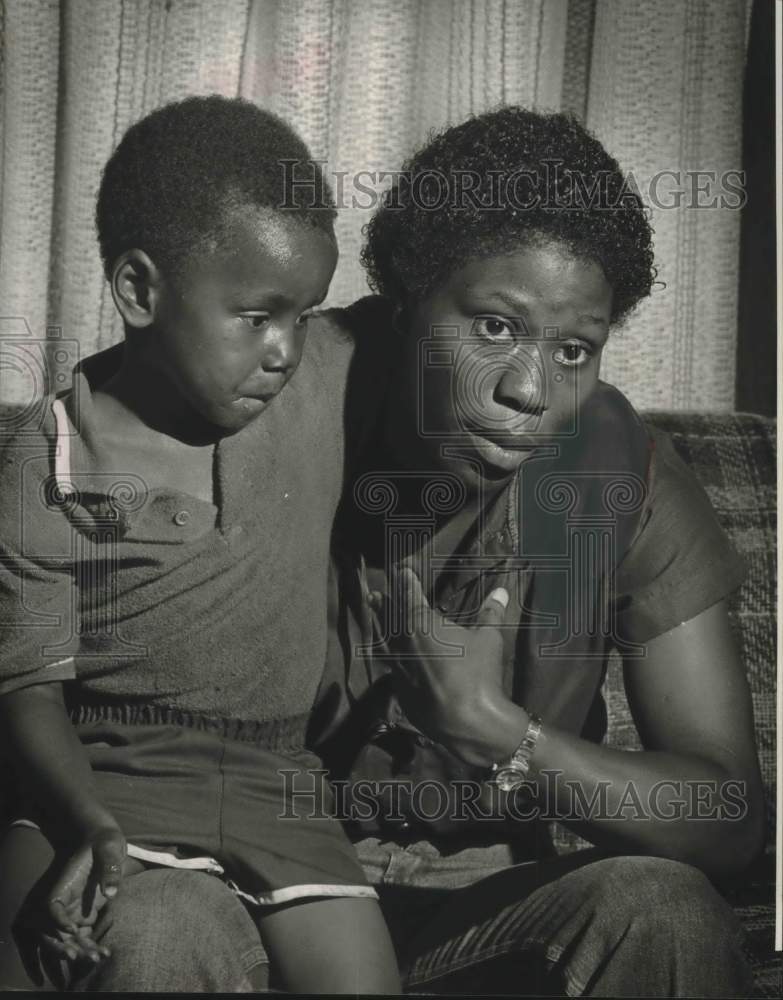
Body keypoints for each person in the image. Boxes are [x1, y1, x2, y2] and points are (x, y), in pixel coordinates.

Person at [5, 106, 763, 996]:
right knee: (157, 922)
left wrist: (496, 732)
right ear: (402, 302)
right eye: (491, 326)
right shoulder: (271, 387)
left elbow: (727, 820)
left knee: (662, 908)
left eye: (573, 350)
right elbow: (81, 474)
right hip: (238, 884)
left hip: (489, 901)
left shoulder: (612, 473)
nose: (528, 389)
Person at [0, 95, 400, 994]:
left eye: (304, 316)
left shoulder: (326, 372)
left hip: (278, 785)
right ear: (140, 291)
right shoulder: (48, 453)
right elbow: (27, 689)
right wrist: (86, 821)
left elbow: (460, 291)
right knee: (34, 956)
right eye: (257, 316)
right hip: (104, 777)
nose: (286, 350)